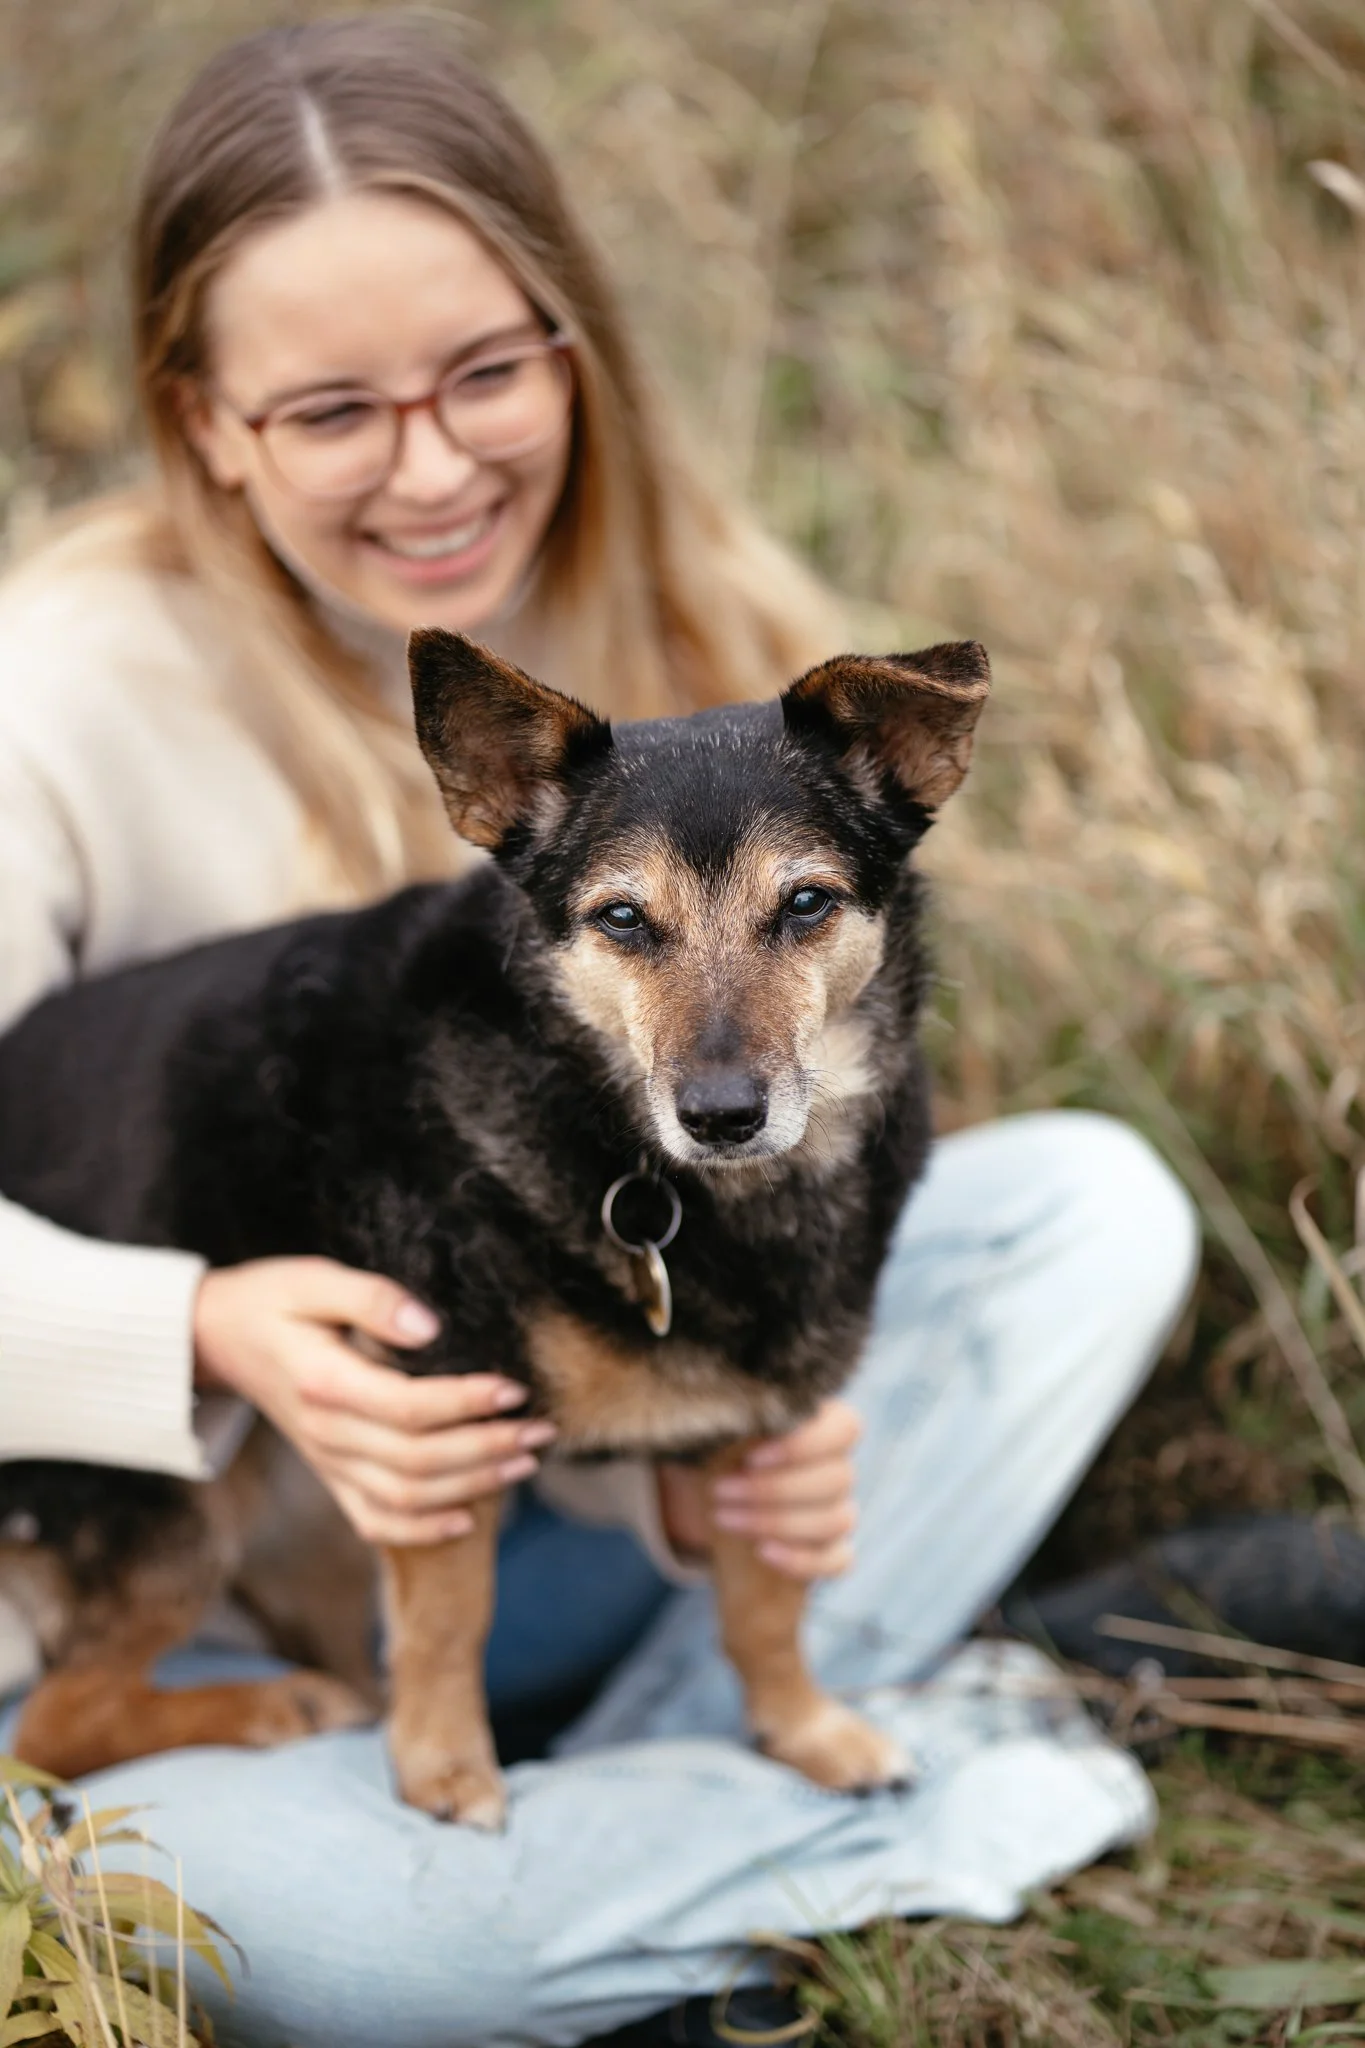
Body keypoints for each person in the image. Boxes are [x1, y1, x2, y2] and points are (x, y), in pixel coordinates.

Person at [0, 18, 1200, 2046]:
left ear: (570, 340)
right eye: (329, 410)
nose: (435, 462)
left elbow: (801, 1079)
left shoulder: (693, 605)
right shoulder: (55, 691)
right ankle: (972, 1754)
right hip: (156, 1540)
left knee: (1090, 1202)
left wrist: (746, 1447)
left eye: (483, 369)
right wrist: (202, 1333)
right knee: (348, 1951)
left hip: (550, 1500)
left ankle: (659, 1787)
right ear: (205, 423)